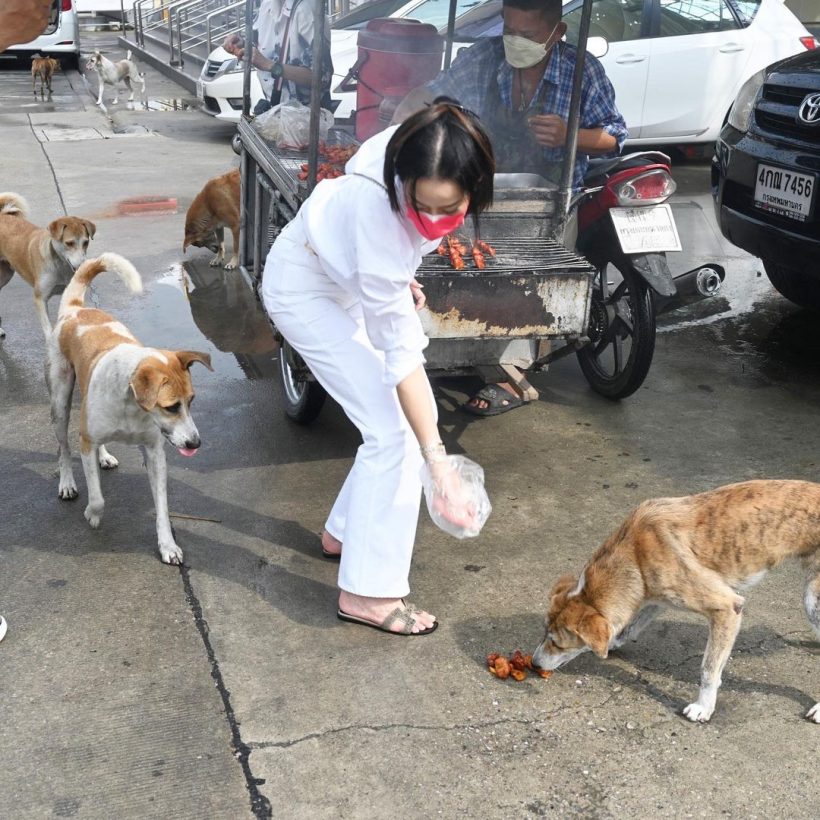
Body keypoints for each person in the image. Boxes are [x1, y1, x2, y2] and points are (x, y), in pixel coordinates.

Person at [261, 102, 495, 635]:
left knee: (390, 426)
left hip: (345, 278)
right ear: (402, 178)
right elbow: (403, 359)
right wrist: (440, 465)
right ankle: (368, 594)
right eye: (423, 205)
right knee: (396, 434)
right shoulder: (379, 206)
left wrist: (389, 274)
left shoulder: (424, 145)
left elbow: (393, 251)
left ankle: (344, 534)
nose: (435, 220)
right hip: (304, 287)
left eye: (451, 207)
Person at [400, 0, 628, 416]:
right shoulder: (486, 59)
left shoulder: (583, 73)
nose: (514, 42)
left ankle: (514, 369)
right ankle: (451, 346)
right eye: (509, 30)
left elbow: (615, 136)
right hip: (480, 189)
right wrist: (405, 118)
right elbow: (431, 94)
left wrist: (571, 135)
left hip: (550, 197)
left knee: (529, 289)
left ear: (556, 33)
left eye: (526, 35)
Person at [223, 0, 333, 112]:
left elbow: (322, 77)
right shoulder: (267, 5)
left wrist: (270, 66)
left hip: (306, 117)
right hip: (276, 111)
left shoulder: (307, 11)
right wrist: (241, 45)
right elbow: (260, 46)